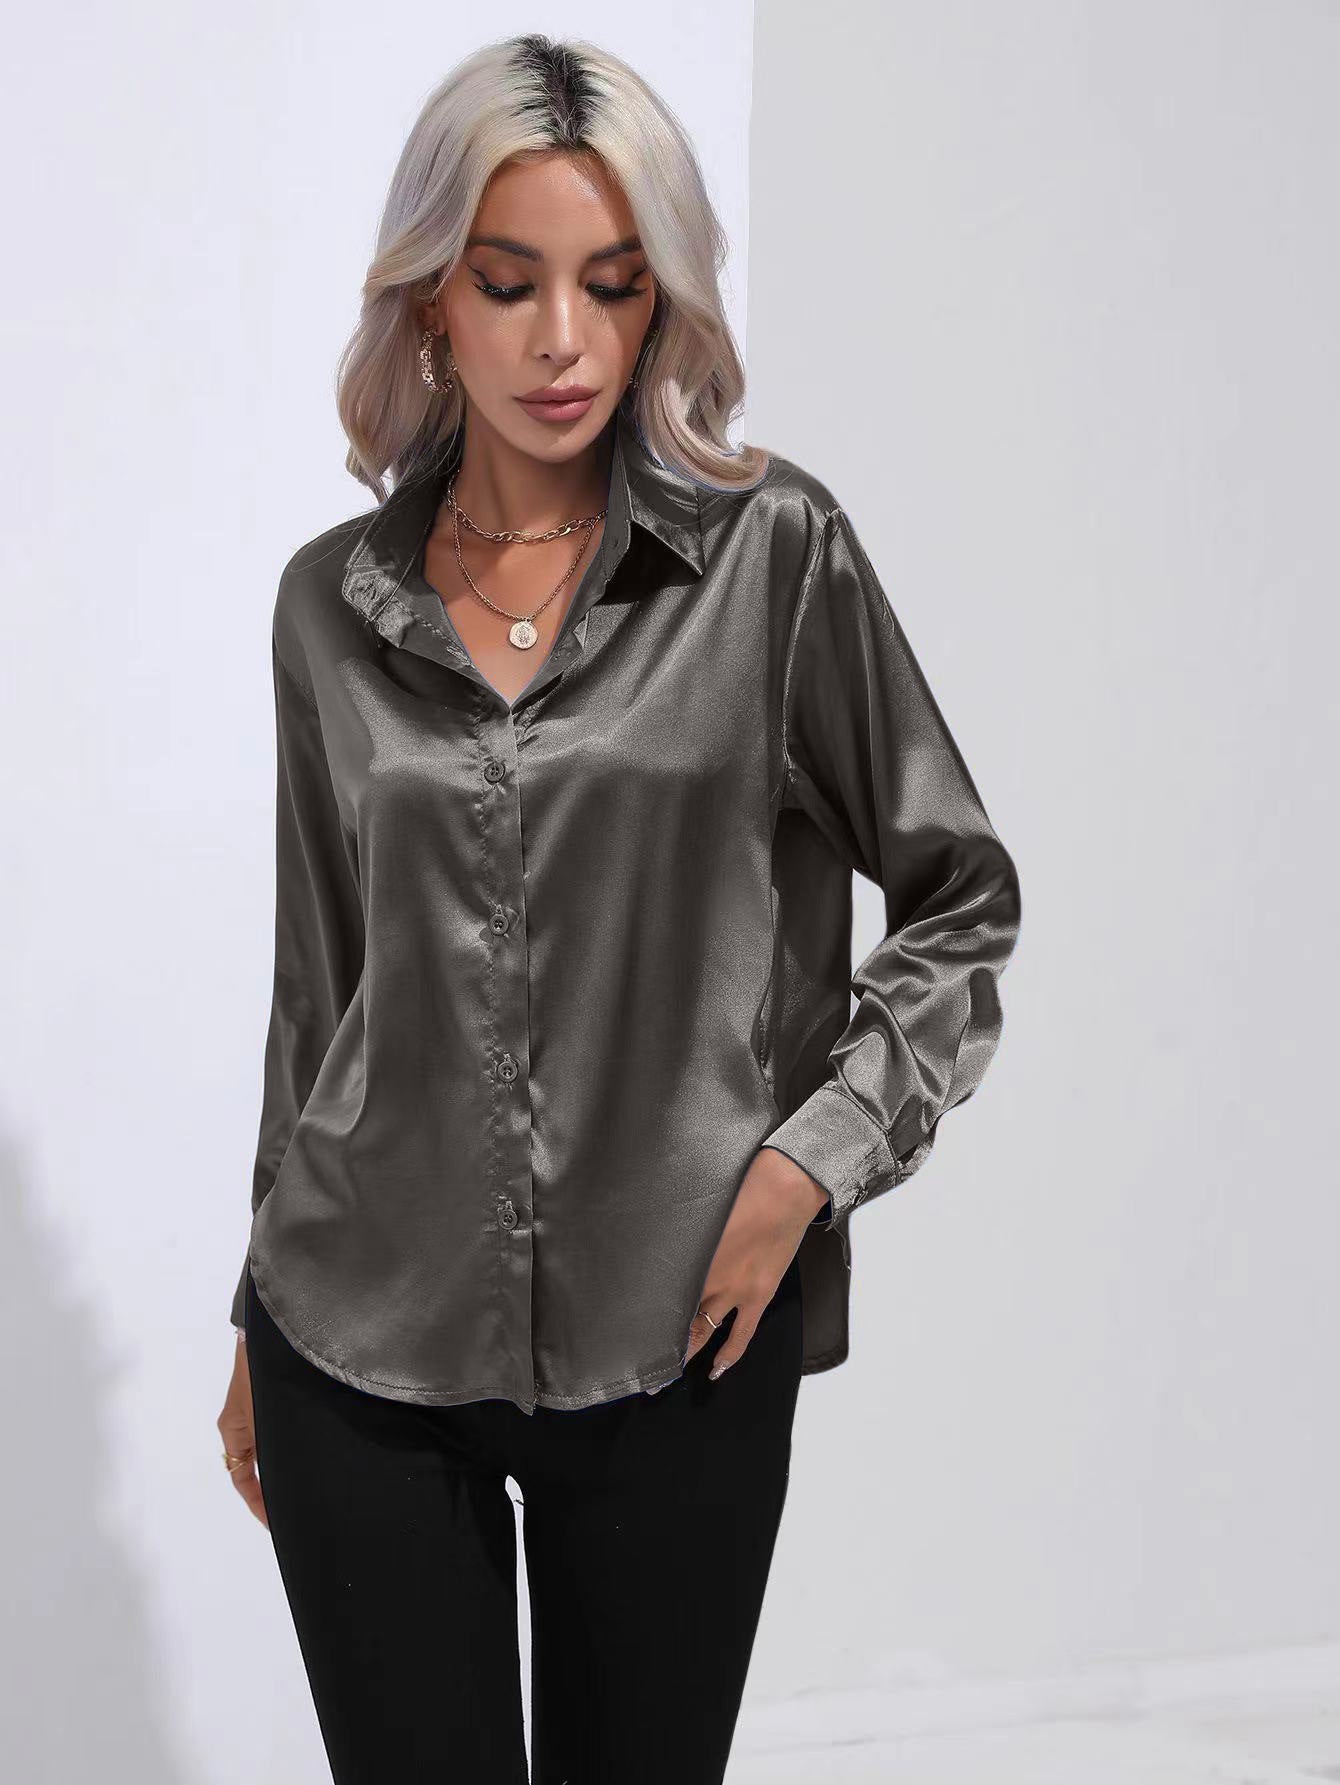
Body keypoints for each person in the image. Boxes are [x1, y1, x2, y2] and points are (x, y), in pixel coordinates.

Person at [215, 30, 1022, 1785]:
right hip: (358, 1336)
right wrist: (256, 1311)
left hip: (684, 1334)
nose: (564, 340)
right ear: (433, 299)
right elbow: (319, 989)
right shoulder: (325, 610)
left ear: (664, 299)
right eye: (510, 284)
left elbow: (961, 896)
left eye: (614, 282)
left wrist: (808, 1162)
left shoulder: (775, 557)